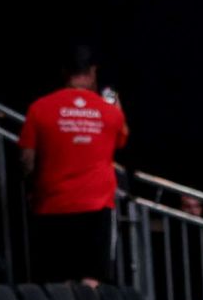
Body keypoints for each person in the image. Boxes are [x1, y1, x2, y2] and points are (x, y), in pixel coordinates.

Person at [18, 46, 127, 284]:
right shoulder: (110, 113)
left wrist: (31, 188)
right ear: (93, 71)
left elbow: (27, 160)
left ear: (64, 72)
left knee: (55, 280)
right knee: (91, 279)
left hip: (51, 205)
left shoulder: (40, 109)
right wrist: (115, 107)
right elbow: (121, 139)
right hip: (95, 207)